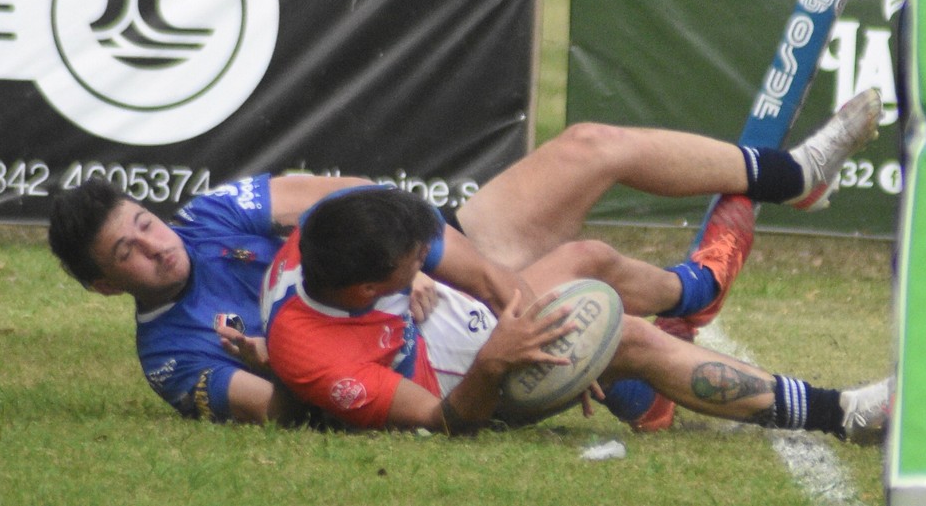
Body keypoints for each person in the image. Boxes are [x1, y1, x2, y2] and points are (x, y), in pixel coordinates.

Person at [46, 88, 882, 426]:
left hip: (420, 255)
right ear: (100, 283)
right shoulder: (170, 353)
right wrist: (307, 357)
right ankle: (690, 319)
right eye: (129, 249)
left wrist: (412, 269)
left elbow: (367, 200)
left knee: (591, 149)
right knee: (593, 286)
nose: (156, 243)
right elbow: (295, 406)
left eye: (145, 221)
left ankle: (789, 181)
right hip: (409, 343)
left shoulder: (216, 213)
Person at [261, 184, 891, 443]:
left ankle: (696, 291)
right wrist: (501, 363)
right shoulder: (313, 355)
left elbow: (486, 277)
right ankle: (844, 413)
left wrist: (554, 328)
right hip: (460, 385)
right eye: (413, 263)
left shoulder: (340, 226)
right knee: (630, 340)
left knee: (586, 260)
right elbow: (442, 421)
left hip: (457, 328)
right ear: (368, 290)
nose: (425, 259)